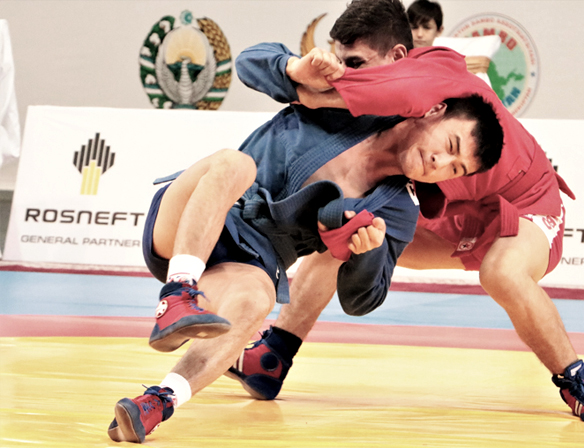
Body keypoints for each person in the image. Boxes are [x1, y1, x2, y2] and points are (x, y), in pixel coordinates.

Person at [229, 0, 584, 424]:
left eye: (356, 64)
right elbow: (276, 75)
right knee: (348, 227)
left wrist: (301, 82)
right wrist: (292, 67)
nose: (343, 71)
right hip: (453, 205)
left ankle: (575, 380)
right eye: (341, 60)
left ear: (397, 59)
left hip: (526, 200)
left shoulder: (421, 89)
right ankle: (273, 357)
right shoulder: (396, 102)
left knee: (502, 272)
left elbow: (310, 93)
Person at [106, 36, 503, 443]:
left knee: (256, 303)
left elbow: (362, 299)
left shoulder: (398, 208)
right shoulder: (351, 106)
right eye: (450, 146)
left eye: (455, 169)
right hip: (188, 224)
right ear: (435, 112)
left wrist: (365, 254)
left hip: (246, 261)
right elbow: (249, 62)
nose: (440, 164)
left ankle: (157, 403)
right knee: (234, 163)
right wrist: (296, 70)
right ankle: (178, 294)